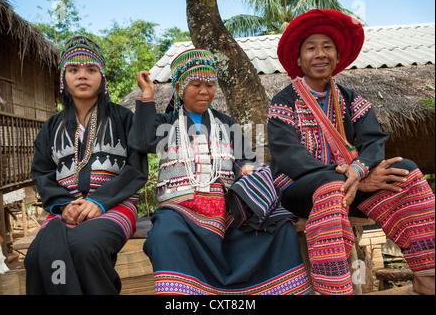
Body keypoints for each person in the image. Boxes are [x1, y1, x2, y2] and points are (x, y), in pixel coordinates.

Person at [268, 9, 435, 295]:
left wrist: (360, 171)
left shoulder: (350, 98)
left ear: (337, 56)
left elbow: (373, 141)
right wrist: (351, 177)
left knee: (405, 170)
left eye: (327, 47)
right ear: (298, 59)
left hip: (353, 184)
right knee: (331, 186)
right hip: (300, 189)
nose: (320, 54)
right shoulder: (284, 102)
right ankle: (333, 289)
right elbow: (287, 155)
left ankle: (427, 277)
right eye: (311, 48)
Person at [132, 48, 312, 295]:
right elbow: (142, 141)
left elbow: (247, 160)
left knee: (279, 228)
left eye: (210, 84)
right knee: (166, 238)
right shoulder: (166, 123)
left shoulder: (226, 123)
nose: (205, 91)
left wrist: (250, 170)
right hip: (179, 209)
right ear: (180, 87)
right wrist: (148, 94)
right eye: (195, 84)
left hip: (228, 209)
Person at [24, 36, 148, 294]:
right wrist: (64, 205)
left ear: (101, 76)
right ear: (63, 77)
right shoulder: (51, 127)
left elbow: (136, 168)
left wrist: (100, 201)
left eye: (91, 69)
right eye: (73, 70)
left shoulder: (123, 117)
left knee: (86, 245)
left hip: (115, 205)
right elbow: (43, 173)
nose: (82, 76)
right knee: (37, 255)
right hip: (65, 208)